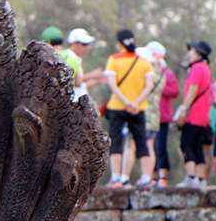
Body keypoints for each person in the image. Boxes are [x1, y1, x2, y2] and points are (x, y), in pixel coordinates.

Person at [104, 29, 155, 188]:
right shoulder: (144, 62)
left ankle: (116, 177)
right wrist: (136, 102)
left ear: (119, 43)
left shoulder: (113, 60)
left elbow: (112, 84)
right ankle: (146, 177)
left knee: (116, 140)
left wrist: (126, 101)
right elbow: (149, 86)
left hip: (117, 106)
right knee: (142, 142)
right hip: (138, 108)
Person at [176, 40, 212, 188]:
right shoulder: (205, 68)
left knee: (186, 144)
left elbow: (193, 90)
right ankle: (201, 179)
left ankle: (191, 177)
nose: (189, 53)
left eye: (191, 50)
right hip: (202, 114)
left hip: (193, 112)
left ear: (197, 52)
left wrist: (184, 109)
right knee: (197, 146)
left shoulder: (196, 68)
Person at [146, 41, 179, 186]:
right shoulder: (146, 71)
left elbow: (174, 91)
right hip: (148, 114)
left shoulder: (167, 73)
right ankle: (151, 176)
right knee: (149, 146)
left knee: (161, 146)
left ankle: (163, 176)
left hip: (163, 115)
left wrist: (159, 88)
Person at [64, 28, 96, 101]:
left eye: (87, 44)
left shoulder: (75, 58)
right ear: (74, 43)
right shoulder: (70, 58)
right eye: (84, 44)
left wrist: (96, 80)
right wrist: (92, 75)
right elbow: (76, 82)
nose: (87, 47)